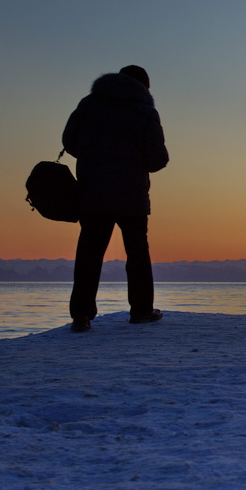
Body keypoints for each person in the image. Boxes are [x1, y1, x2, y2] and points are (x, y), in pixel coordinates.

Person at [63, 65, 169, 332]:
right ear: (144, 86)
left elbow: (69, 141)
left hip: (93, 191)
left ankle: (81, 315)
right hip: (131, 194)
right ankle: (142, 310)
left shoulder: (89, 105)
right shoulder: (145, 112)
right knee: (137, 253)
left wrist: (93, 159)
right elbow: (158, 159)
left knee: (90, 252)